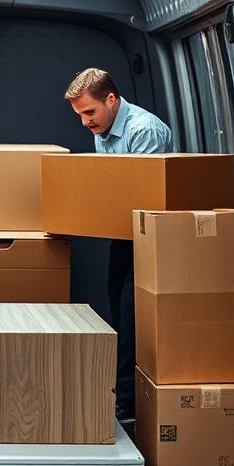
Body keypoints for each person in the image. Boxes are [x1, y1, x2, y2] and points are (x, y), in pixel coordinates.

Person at [65, 67, 172, 423]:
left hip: (147, 239)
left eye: (89, 112)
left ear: (111, 99)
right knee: (119, 317)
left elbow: (143, 196)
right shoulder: (104, 130)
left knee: (131, 320)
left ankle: (127, 404)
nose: (84, 123)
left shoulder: (144, 131)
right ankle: (124, 396)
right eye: (79, 114)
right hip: (122, 236)